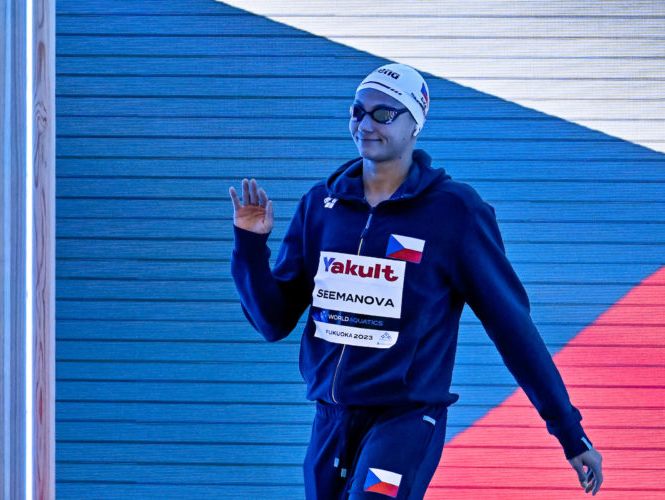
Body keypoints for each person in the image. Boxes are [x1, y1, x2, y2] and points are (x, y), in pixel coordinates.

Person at [229, 63, 603, 499]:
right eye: (358, 112)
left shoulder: (454, 213)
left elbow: (513, 329)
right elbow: (272, 321)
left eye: (384, 114)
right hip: (330, 420)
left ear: (415, 125)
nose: (366, 124)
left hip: (405, 420)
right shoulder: (321, 205)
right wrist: (251, 247)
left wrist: (568, 431)